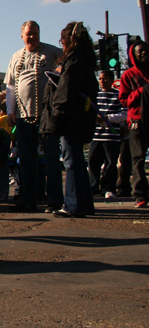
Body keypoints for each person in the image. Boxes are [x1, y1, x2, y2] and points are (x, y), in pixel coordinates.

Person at [4, 21, 64, 213]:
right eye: (29, 34)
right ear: (22, 35)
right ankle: (27, 199)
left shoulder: (51, 52)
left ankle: (54, 200)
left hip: (47, 115)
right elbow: (11, 87)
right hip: (23, 116)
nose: (33, 37)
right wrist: (11, 111)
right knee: (27, 161)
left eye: (36, 33)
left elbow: (67, 65)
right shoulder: (15, 57)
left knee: (52, 158)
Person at [41, 22, 98, 217]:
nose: (61, 43)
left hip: (70, 118)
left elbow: (65, 92)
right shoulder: (84, 60)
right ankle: (84, 204)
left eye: (63, 39)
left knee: (71, 160)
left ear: (70, 40)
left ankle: (74, 205)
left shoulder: (74, 61)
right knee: (77, 161)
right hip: (79, 117)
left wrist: (56, 118)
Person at [86, 70, 127, 199]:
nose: (102, 81)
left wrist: (107, 118)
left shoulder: (119, 96)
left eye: (105, 79)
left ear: (111, 80)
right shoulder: (95, 96)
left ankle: (109, 188)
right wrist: (94, 118)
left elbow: (124, 114)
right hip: (96, 135)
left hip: (111, 136)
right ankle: (93, 187)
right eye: (100, 79)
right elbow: (87, 111)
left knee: (110, 163)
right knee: (93, 162)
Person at [118, 40, 149, 208]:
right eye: (140, 52)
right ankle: (140, 195)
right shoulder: (129, 75)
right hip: (137, 121)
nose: (144, 53)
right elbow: (124, 100)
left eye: (146, 50)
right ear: (134, 55)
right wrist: (142, 91)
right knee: (137, 159)